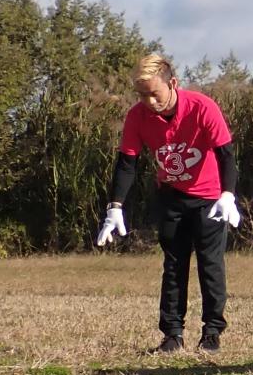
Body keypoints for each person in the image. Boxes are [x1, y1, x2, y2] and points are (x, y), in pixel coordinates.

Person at [94, 54, 240, 354]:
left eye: (154, 93)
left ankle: (212, 333)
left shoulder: (202, 108)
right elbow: (127, 163)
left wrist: (228, 194)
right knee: (174, 265)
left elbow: (226, 154)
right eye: (142, 95)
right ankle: (172, 334)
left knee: (210, 265)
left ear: (172, 84)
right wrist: (115, 207)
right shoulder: (137, 116)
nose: (148, 101)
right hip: (171, 197)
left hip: (209, 200)